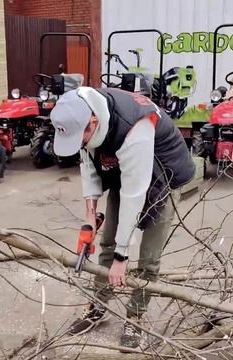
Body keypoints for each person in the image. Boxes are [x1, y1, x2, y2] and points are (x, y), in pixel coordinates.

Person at [50, 86, 195, 348]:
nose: (80, 143)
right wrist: (90, 216)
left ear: (93, 122)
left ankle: (136, 316)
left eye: (81, 137)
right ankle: (98, 305)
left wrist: (122, 255)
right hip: (125, 169)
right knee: (107, 242)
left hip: (164, 175)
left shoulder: (135, 128)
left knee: (149, 257)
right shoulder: (82, 111)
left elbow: (134, 194)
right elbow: (89, 166)